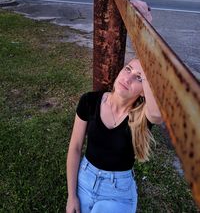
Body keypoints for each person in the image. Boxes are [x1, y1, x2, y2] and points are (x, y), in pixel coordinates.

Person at [66, 57, 163, 213]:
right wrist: (71, 196)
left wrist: (148, 75)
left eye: (139, 77)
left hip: (118, 192)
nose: (128, 78)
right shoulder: (89, 101)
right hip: (84, 179)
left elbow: (158, 115)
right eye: (128, 69)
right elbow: (75, 148)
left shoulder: (142, 118)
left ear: (144, 90)